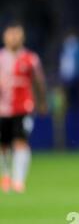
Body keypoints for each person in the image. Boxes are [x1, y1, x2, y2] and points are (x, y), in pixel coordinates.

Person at [0, 22, 47, 193]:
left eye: (16, 34)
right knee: (3, 144)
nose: (13, 37)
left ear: (22, 36)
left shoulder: (30, 58)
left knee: (21, 142)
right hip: (2, 109)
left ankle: (18, 180)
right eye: (10, 34)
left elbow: (39, 81)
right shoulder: (1, 58)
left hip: (24, 107)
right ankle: (5, 176)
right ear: (5, 37)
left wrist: (42, 102)